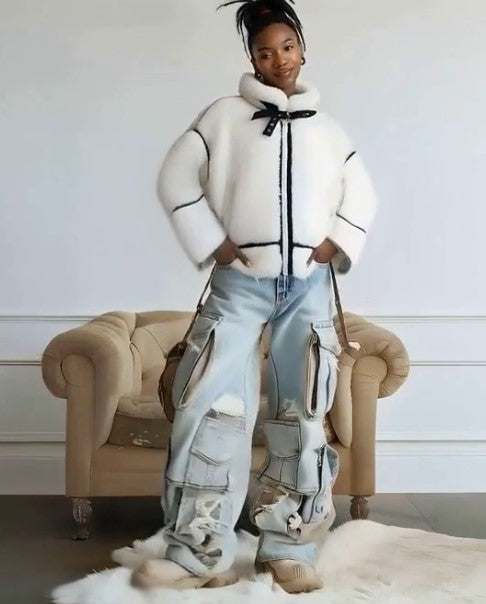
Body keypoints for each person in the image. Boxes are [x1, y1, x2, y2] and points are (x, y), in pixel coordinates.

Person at [131, 0, 378, 594]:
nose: (279, 59)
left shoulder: (327, 129)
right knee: (209, 406)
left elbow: (362, 193)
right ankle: (197, 554)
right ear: (252, 58)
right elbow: (174, 178)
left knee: (303, 412)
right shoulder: (221, 117)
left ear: (303, 49)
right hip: (239, 284)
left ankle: (288, 549)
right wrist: (213, 243)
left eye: (287, 47)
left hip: (310, 288)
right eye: (265, 52)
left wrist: (337, 241)